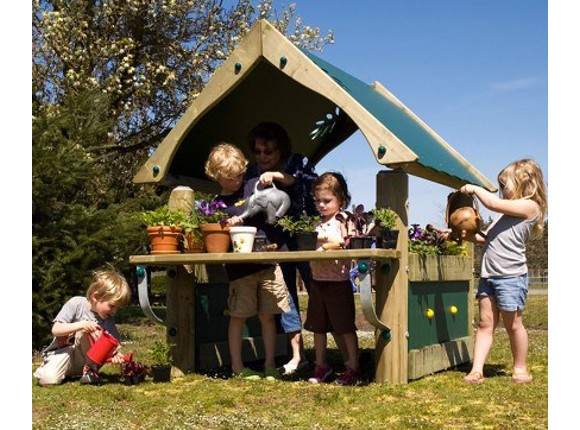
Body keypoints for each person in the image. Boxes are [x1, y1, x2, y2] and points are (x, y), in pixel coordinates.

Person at [456, 159, 547, 384]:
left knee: (513, 324)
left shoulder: (530, 207)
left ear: (524, 183)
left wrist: (475, 189)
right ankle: (477, 370)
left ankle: (520, 367)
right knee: (486, 324)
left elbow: (492, 203)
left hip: (510, 277)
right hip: (489, 276)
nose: (501, 190)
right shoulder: (502, 216)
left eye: (504, 184)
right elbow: (487, 240)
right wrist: (468, 236)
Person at [205, 142, 291, 380]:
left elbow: (278, 197)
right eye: (231, 178)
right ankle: (237, 367)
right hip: (240, 269)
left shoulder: (254, 186)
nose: (237, 180)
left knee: (268, 315)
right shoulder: (216, 205)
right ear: (217, 176)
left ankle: (270, 364)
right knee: (238, 316)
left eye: (240, 174)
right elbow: (216, 235)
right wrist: (225, 225)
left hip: (267, 263)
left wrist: (271, 180)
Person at [245, 122, 318, 375]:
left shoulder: (297, 162)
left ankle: (324, 357)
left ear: (281, 151)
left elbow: (311, 184)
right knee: (286, 298)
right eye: (258, 151)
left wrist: (280, 177)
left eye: (269, 152)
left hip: (306, 238)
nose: (262, 157)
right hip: (277, 243)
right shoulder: (252, 174)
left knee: (318, 293)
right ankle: (297, 357)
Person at [304, 172, 360, 386]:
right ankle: (321, 365)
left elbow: (347, 241)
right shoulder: (315, 222)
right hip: (317, 280)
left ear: (341, 199)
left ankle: (352, 367)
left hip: (338, 282)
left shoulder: (344, 219)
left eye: (327, 201)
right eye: (318, 201)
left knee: (344, 326)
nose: (322, 205)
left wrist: (327, 240)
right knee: (318, 327)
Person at [33, 270, 132, 386]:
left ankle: (90, 371)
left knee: (91, 331)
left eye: (117, 308)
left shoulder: (107, 321)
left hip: (86, 361)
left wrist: (116, 355)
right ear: (96, 297)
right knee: (48, 380)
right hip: (63, 354)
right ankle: (48, 368)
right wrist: (82, 324)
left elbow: (113, 346)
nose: (114, 311)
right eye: (112, 306)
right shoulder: (76, 304)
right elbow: (56, 329)